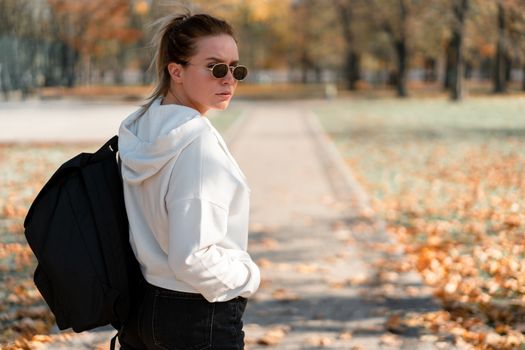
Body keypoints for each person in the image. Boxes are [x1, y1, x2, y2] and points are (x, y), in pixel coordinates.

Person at [117, 12, 260, 350]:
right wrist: (247, 277)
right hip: (197, 315)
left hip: (143, 308)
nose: (229, 80)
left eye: (235, 68)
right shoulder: (196, 145)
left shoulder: (141, 129)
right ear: (176, 71)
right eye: (215, 67)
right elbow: (192, 256)